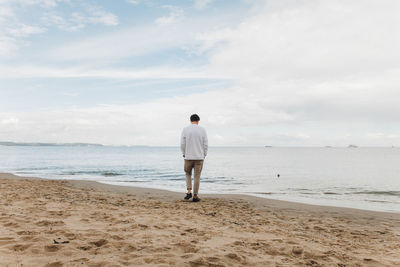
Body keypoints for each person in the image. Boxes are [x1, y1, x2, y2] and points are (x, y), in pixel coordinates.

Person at [180, 114, 208, 202]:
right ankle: (195, 196)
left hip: (188, 156)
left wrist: (184, 153)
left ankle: (189, 191)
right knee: (197, 177)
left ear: (190, 120)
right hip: (199, 157)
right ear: (198, 120)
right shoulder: (202, 130)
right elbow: (205, 144)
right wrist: (204, 154)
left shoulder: (185, 129)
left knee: (187, 173)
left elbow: (182, 144)